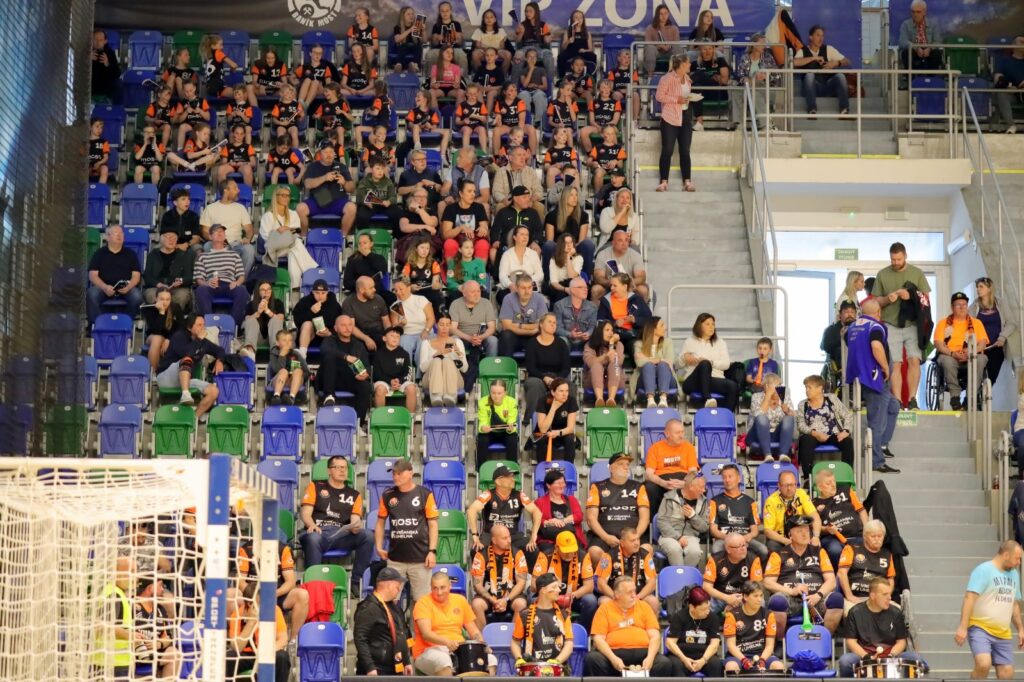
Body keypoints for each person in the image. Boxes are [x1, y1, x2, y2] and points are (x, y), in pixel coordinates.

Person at [845, 298, 902, 473]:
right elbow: (876, 346)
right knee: (877, 420)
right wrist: (885, 367)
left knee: (893, 406)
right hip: (875, 378)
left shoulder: (853, 327)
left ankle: (881, 445)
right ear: (878, 313)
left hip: (860, 376)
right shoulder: (875, 327)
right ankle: (876, 461)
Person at [299, 456, 373, 588]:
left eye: (345, 468)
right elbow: (305, 513)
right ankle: (313, 585)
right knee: (313, 538)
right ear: (329, 470)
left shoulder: (355, 495)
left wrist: (355, 527)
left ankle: (356, 582)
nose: (342, 470)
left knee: (368, 535)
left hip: (341, 535)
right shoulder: (315, 487)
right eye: (338, 467)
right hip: (319, 533)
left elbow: (355, 519)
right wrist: (312, 525)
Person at [873, 242, 931, 408]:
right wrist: (887, 299)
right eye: (893, 259)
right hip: (890, 324)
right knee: (895, 363)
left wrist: (911, 295)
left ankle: (912, 399)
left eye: (899, 259)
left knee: (914, 360)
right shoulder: (882, 274)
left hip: (913, 324)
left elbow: (926, 299)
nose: (896, 262)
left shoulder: (917, 273)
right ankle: (897, 400)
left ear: (905, 256)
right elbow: (876, 301)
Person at [954, 541, 1024, 679]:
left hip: (1003, 632)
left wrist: (1021, 629)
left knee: (1007, 672)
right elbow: (970, 598)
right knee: (983, 664)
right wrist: (963, 626)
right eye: (1017, 558)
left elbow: (1014, 604)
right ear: (1006, 555)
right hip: (981, 627)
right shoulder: (984, 570)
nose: (1019, 562)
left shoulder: (1014, 575)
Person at [764, 515, 844, 634]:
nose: (805, 534)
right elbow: (768, 583)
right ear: (790, 535)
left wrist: (818, 595)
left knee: (836, 599)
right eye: (799, 531)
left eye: (807, 530)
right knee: (777, 601)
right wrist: (791, 591)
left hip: (815, 599)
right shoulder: (778, 554)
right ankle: (780, 641)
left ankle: (825, 638)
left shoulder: (819, 552)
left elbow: (831, 581)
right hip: (790, 599)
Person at [376, 459, 440, 603]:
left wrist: (432, 551)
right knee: (390, 601)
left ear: (411, 473)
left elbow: (433, 525)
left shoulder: (425, 494)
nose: (395, 477)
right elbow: (380, 523)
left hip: (420, 559)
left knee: (422, 603)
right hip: (395, 559)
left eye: (399, 473)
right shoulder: (387, 495)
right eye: (394, 473)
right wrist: (379, 546)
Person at [584, 576, 675, 676]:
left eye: (634, 591)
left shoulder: (644, 607)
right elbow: (598, 640)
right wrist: (613, 659)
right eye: (629, 592)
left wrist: (650, 658)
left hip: (643, 653)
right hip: (613, 653)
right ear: (617, 594)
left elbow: (655, 636)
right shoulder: (604, 609)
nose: (634, 595)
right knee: (592, 659)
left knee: (664, 663)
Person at [412, 571, 495, 676]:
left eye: (442, 587)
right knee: (443, 660)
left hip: (458, 650)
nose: (439, 592)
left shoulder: (460, 600)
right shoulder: (423, 603)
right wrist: (447, 642)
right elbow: (426, 634)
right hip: (428, 650)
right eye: (435, 588)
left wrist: (482, 646)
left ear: (450, 586)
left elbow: (473, 630)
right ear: (430, 588)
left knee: (490, 659)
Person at [839, 578, 925, 677]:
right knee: (845, 661)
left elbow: (901, 641)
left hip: (891, 654)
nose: (889, 598)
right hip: (865, 655)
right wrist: (866, 657)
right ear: (872, 596)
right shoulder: (855, 612)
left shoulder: (896, 612)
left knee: (916, 658)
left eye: (890, 594)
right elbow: (851, 641)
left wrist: (891, 655)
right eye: (885, 594)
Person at [155, 314, 223, 418]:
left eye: (203, 325)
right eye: (199, 325)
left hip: (185, 380)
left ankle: (193, 419)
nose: (203, 328)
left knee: (214, 391)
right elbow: (186, 353)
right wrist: (198, 340)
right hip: (166, 377)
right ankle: (186, 394)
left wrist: (219, 360)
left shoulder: (203, 342)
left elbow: (219, 350)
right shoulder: (179, 336)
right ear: (189, 328)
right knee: (187, 359)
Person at [586, 452, 650, 560]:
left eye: (627, 464)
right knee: (595, 552)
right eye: (621, 464)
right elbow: (591, 519)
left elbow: (645, 518)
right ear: (611, 468)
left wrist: (633, 538)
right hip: (605, 535)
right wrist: (606, 538)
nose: (626, 467)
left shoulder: (639, 487)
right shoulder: (597, 487)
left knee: (647, 549)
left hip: (633, 535)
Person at [353, 566, 413, 675]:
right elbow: (360, 638)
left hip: (395, 668)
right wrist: (370, 667)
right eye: (398, 586)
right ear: (389, 585)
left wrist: (406, 661)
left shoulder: (394, 607)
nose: (399, 589)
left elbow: (401, 633)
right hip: (377, 669)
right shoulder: (369, 608)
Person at [936, 291, 990, 410]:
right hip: (950, 355)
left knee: (981, 359)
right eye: (958, 305)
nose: (962, 307)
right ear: (952, 307)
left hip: (970, 356)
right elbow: (939, 344)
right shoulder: (943, 323)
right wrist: (952, 354)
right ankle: (955, 397)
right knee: (946, 360)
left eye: (964, 304)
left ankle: (970, 397)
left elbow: (982, 343)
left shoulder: (976, 323)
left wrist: (971, 352)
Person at [533, 531, 598, 629]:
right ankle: (546, 629)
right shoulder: (545, 555)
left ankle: (579, 628)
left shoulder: (583, 556)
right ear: (556, 547)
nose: (570, 554)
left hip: (574, 597)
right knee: (532, 599)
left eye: (572, 550)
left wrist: (570, 597)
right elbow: (534, 584)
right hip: (550, 597)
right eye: (566, 551)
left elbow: (589, 586)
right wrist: (552, 595)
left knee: (590, 600)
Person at [470, 524, 530, 629]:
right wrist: (492, 600)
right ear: (494, 540)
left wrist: (506, 600)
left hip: (511, 595)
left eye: (509, 537)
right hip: (488, 596)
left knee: (521, 603)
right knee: (477, 604)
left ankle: (514, 637)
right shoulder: (481, 555)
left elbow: (521, 583)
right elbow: (477, 584)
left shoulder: (518, 553)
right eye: (504, 538)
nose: (509, 540)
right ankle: (482, 638)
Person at [796, 374, 855, 477]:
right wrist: (814, 433)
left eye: (809, 388)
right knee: (805, 440)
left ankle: (846, 474)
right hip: (813, 435)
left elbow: (847, 415)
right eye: (806, 388)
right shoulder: (802, 404)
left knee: (847, 441)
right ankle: (808, 477)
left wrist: (846, 431)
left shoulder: (831, 399)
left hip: (833, 435)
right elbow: (801, 424)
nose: (806, 390)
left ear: (820, 388)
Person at [316, 315, 373, 422]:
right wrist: (346, 357)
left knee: (366, 386)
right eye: (343, 325)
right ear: (336, 328)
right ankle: (329, 396)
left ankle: (358, 423)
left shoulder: (358, 345)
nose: (347, 328)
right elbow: (325, 351)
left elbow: (366, 366)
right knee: (329, 357)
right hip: (330, 380)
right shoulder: (329, 340)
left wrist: (365, 374)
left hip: (350, 379)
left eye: (350, 325)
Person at [260, 184, 317, 289]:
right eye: (283, 195)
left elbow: (297, 231)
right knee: (296, 243)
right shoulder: (268, 216)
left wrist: (286, 230)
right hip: (274, 249)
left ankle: (295, 285)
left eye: (288, 196)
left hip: (289, 245)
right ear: (276, 197)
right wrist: (279, 233)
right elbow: (266, 237)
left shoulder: (293, 214)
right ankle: (312, 272)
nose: (286, 198)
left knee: (293, 251)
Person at [511, 572, 573, 666]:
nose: (559, 590)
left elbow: (569, 644)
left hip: (557, 668)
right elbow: (515, 642)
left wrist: (557, 661)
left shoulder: (564, 615)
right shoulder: (524, 615)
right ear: (543, 590)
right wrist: (519, 659)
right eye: (554, 587)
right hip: (532, 668)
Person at [680, 312, 738, 410]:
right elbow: (677, 364)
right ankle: (708, 398)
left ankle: (726, 415)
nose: (711, 327)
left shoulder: (721, 343)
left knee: (733, 386)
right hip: (693, 381)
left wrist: (711, 363)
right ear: (699, 326)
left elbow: (726, 364)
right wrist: (684, 358)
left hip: (712, 379)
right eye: (707, 324)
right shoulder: (689, 341)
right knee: (704, 364)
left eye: (713, 324)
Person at [193, 224, 249, 325]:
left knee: (242, 290)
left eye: (222, 231)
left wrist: (237, 283)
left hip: (229, 285)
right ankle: (209, 325)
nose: (220, 233)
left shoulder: (234, 255)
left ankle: (233, 325)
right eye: (216, 231)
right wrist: (207, 283)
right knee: (201, 290)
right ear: (210, 237)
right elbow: (199, 279)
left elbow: (241, 276)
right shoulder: (203, 257)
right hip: (211, 286)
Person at [708, 463, 768, 559]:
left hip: (745, 538)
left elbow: (755, 530)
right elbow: (713, 530)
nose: (727, 480)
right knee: (716, 549)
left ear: (739, 478)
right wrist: (729, 538)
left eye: (730, 476)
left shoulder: (750, 502)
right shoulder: (715, 501)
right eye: (724, 477)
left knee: (763, 550)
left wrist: (746, 537)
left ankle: (756, 569)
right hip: (724, 538)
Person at [722, 581, 784, 673]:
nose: (760, 599)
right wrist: (744, 660)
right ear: (745, 597)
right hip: (738, 656)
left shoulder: (768, 615)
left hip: (762, 654)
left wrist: (762, 660)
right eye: (755, 596)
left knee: (779, 666)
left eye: (761, 595)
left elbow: (770, 645)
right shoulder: (732, 615)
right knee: (731, 666)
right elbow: (731, 645)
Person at [87, 225, 143, 324]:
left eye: (121, 233)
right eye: (116, 233)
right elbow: (92, 275)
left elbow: (136, 275)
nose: (119, 235)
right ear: (108, 237)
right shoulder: (99, 253)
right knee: (92, 294)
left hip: (126, 288)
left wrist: (128, 287)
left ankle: (125, 322)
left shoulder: (131, 254)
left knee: (137, 296)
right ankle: (97, 324)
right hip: (104, 287)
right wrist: (104, 287)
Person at [655, 54, 695, 192]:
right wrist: (676, 100)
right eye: (688, 63)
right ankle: (663, 181)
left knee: (685, 150)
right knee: (667, 150)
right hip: (670, 117)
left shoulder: (687, 79)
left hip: (685, 116)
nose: (690, 65)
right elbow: (659, 96)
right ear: (682, 64)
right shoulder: (667, 78)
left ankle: (687, 181)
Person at [815, 467, 870, 567]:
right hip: (833, 538)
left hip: (856, 535)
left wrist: (867, 530)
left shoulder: (846, 490)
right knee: (835, 550)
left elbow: (861, 510)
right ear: (819, 487)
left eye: (834, 481)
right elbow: (815, 526)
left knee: (869, 544)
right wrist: (826, 529)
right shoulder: (814, 503)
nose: (833, 485)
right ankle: (839, 574)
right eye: (828, 483)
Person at [596, 527, 659, 613]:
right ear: (622, 543)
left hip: (638, 596)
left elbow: (652, 582)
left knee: (653, 601)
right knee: (604, 602)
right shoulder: (608, 556)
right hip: (615, 597)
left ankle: (652, 623)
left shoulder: (646, 555)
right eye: (633, 540)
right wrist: (615, 597)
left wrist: (638, 597)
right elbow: (601, 584)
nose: (637, 543)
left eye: (638, 539)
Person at [296, 145, 357, 234]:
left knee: (352, 208)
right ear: (320, 154)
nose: (329, 155)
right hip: (317, 202)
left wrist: (344, 183)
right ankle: (303, 236)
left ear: (334, 154)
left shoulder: (341, 166)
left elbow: (351, 188)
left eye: (331, 152)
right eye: (326, 152)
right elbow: (307, 184)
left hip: (338, 201)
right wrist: (324, 178)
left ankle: (343, 237)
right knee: (300, 208)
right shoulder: (313, 166)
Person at [666, 586, 725, 677]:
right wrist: (684, 659)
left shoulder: (713, 618)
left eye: (708, 608)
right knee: (674, 665)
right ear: (692, 607)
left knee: (716, 664)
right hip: (682, 656)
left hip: (705, 656)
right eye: (703, 609)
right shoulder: (679, 616)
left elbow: (715, 644)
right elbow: (670, 642)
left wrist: (703, 660)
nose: (707, 612)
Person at [199, 180, 255, 275]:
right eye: (235, 188)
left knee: (249, 249)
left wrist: (247, 238)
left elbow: (249, 229)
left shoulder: (240, 208)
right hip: (217, 244)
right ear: (226, 190)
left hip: (237, 245)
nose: (238, 190)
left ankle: (241, 279)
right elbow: (205, 231)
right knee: (207, 245)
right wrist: (214, 239)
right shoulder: (210, 208)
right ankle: (216, 277)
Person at [793, 25, 851, 117]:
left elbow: (847, 61)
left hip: (827, 87)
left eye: (822, 36)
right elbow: (794, 62)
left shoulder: (828, 49)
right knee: (809, 75)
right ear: (810, 37)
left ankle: (844, 110)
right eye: (818, 35)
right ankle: (812, 109)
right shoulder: (803, 51)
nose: (821, 39)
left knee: (840, 76)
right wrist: (814, 58)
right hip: (810, 89)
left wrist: (836, 63)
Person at [643, 418, 697, 515]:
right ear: (667, 434)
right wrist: (663, 483)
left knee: (698, 486)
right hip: (661, 481)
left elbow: (693, 472)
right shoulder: (655, 448)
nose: (681, 436)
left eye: (682, 432)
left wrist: (685, 483)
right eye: (677, 433)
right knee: (650, 488)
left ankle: (692, 520)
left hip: (683, 479)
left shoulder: (689, 447)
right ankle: (653, 521)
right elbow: (648, 474)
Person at [449, 280, 497, 388]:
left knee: (493, 341)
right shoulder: (456, 304)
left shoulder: (486, 303)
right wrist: (469, 337)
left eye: (478, 291)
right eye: (472, 292)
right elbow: (452, 328)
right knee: (453, 340)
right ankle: (456, 374)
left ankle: (490, 374)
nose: (476, 294)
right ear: (464, 293)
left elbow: (492, 328)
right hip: (463, 336)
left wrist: (481, 337)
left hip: (481, 336)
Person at [523, 314, 571, 421]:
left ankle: (564, 420)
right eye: (550, 322)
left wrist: (557, 380)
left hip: (557, 377)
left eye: (554, 323)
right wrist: (544, 377)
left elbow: (566, 368)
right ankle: (532, 421)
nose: (553, 325)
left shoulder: (561, 343)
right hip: (537, 377)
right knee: (535, 385)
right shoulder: (532, 343)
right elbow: (531, 367)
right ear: (541, 324)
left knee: (568, 385)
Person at [837, 520, 896, 608]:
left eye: (880, 536)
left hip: (878, 599)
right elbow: (841, 573)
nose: (877, 539)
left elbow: (890, 579)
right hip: (855, 598)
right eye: (873, 536)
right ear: (865, 537)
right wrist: (849, 596)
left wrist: (886, 596)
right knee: (855, 612)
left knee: (897, 611)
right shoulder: (851, 549)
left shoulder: (887, 554)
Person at [657, 473, 710, 567]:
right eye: (701, 487)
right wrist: (678, 537)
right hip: (669, 536)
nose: (704, 490)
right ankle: (680, 576)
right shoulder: (670, 498)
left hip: (691, 537)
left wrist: (693, 516)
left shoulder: (704, 502)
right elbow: (662, 522)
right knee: (675, 549)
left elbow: (704, 527)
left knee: (695, 552)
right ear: (691, 487)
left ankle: (684, 575)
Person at [972, 277, 1016, 388]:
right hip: (979, 348)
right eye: (977, 287)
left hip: (996, 347)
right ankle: (973, 395)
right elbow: (968, 325)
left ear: (989, 288)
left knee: (991, 378)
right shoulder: (974, 306)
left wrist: (1002, 337)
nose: (978, 289)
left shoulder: (1000, 304)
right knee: (976, 377)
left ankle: (984, 396)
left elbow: (1011, 323)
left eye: (981, 287)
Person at [762, 470, 822, 552]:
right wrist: (787, 541)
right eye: (786, 485)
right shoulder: (771, 501)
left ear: (796, 484)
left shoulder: (801, 494)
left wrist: (816, 537)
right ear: (779, 485)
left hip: (801, 535)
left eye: (792, 485)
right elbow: (768, 531)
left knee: (815, 545)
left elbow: (815, 516)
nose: (789, 488)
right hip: (781, 538)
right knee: (772, 546)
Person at [704, 533, 765, 614]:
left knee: (760, 602)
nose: (743, 549)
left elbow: (757, 586)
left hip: (744, 596)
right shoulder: (715, 559)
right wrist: (727, 598)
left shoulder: (753, 559)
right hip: (720, 596)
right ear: (728, 549)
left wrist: (740, 600)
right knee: (703, 607)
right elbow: (706, 586)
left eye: (744, 545)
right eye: (739, 546)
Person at [597, 272, 652, 359]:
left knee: (635, 347)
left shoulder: (637, 299)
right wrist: (614, 323)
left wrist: (635, 320)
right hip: (613, 335)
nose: (611, 288)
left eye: (615, 286)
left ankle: (641, 366)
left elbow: (650, 321)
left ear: (625, 286)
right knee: (612, 348)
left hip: (633, 335)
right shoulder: (605, 300)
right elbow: (600, 322)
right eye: (611, 285)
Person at [418, 314, 467, 406]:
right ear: (436, 325)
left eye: (447, 325)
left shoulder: (458, 342)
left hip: (454, 381)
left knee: (447, 361)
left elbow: (464, 369)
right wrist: (436, 354)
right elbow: (423, 368)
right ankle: (436, 396)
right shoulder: (426, 343)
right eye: (441, 324)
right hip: (430, 380)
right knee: (437, 360)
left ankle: (451, 395)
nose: (444, 328)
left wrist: (459, 355)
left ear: (450, 326)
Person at [691, 42, 739, 131]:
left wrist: (713, 78)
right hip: (701, 94)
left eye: (710, 49)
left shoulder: (720, 61)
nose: (708, 51)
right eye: (705, 49)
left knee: (698, 74)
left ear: (714, 50)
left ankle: (699, 123)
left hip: (717, 92)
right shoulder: (695, 63)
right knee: (696, 87)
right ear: (700, 50)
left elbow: (724, 81)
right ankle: (699, 123)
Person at [534, 472, 586, 555]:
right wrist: (550, 522)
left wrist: (563, 521)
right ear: (548, 485)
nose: (562, 485)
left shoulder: (572, 499)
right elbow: (537, 520)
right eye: (558, 483)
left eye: (563, 483)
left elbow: (579, 516)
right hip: (550, 539)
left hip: (570, 537)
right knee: (548, 553)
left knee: (579, 553)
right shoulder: (540, 502)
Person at [747, 373, 795, 462]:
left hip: (776, 434)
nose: (780, 388)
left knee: (789, 418)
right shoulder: (756, 397)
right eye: (777, 385)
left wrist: (787, 411)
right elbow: (758, 415)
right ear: (767, 386)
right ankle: (767, 455)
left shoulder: (784, 397)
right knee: (761, 418)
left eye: (780, 385)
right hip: (757, 434)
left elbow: (792, 417)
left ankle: (783, 455)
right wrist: (768, 395)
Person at [143, 227, 194, 310]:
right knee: (151, 295)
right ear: (161, 239)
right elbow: (147, 276)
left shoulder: (184, 255)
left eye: (174, 238)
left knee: (182, 295)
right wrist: (158, 284)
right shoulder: (153, 255)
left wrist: (180, 281)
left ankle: (174, 316)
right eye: (168, 237)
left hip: (177, 288)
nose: (172, 240)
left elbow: (189, 276)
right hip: (156, 287)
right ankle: (159, 316)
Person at [441, 179, 490, 263]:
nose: (473, 194)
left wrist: (484, 228)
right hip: (457, 240)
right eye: (469, 191)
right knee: (449, 244)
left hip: (474, 239)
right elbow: (446, 235)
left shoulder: (479, 207)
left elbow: (484, 226)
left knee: (483, 244)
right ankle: (453, 270)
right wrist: (460, 228)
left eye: (474, 191)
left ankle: (479, 270)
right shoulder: (450, 209)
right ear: (461, 193)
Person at [498, 273, 548, 356]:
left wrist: (519, 325)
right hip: (515, 336)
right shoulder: (508, 298)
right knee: (506, 335)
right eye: (523, 288)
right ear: (517, 288)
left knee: (545, 333)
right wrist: (529, 331)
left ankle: (541, 364)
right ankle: (506, 363)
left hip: (533, 336)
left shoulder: (539, 298)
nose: (527, 291)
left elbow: (542, 324)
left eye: (529, 287)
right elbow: (506, 326)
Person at [592, 228, 647, 302]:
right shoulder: (603, 254)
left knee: (642, 290)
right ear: (613, 242)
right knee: (596, 289)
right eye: (620, 240)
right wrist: (612, 283)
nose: (624, 244)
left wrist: (629, 283)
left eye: (626, 240)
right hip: (609, 286)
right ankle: (598, 310)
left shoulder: (635, 255)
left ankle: (639, 310)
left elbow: (641, 277)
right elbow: (598, 277)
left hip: (629, 286)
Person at [532, 378, 579, 463]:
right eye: (561, 391)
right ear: (553, 392)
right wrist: (553, 408)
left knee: (570, 438)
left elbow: (570, 428)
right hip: (545, 433)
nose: (565, 394)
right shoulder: (543, 400)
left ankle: (569, 466)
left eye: (567, 391)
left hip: (562, 433)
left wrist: (557, 433)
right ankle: (542, 466)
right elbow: (543, 429)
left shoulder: (571, 400)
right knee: (541, 439)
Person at [372, 326, 417, 412]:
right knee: (380, 390)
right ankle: (380, 416)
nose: (395, 338)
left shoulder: (404, 354)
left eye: (398, 336)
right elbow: (376, 374)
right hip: (384, 381)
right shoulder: (378, 354)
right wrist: (390, 381)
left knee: (411, 388)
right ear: (384, 338)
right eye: (392, 336)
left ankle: (411, 417)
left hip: (400, 381)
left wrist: (398, 381)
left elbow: (408, 373)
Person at [492, 185, 544, 261]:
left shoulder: (533, 213)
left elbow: (539, 231)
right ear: (515, 199)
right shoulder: (503, 212)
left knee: (536, 249)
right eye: (524, 197)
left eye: (528, 197)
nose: (528, 200)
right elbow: (495, 230)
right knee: (493, 252)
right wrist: (496, 240)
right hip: (507, 246)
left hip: (527, 246)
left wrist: (536, 241)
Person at [390, 276, 435, 362]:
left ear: (409, 287)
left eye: (401, 289)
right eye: (395, 290)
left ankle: (420, 370)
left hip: (424, 330)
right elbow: (395, 328)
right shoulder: (395, 306)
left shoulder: (421, 300)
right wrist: (401, 324)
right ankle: (407, 369)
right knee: (404, 344)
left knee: (423, 345)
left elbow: (431, 319)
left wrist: (426, 331)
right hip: (407, 334)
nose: (398, 292)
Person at [341, 275, 391, 352]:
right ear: (361, 290)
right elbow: (351, 326)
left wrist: (389, 335)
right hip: (360, 335)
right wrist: (366, 339)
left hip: (379, 333)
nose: (374, 290)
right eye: (371, 288)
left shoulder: (378, 299)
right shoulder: (349, 302)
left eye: (374, 287)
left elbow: (386, 321)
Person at [294, 279, 342, 358]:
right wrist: (311, 312)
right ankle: (302, 353)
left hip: (328, 336)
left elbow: (339, 322)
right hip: (310, 335)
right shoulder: (305, 301)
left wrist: (330, 333)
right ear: (313, 292)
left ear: (327, 292)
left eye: (323, 293)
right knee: (307, 324)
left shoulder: (334, 305)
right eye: (317, 293)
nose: (320, 296)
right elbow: (298, 321)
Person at [635, 317, 676, 408]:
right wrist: (659, 359)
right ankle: (650, 400)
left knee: (663, 365)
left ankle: (663, 399)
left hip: (667, 379)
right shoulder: (639, 344)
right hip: (644, 379)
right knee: (648, 366)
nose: (665, 328)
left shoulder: (668, 343)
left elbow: (669, 361)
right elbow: (639, 362)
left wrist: (646, 358)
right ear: (653, 329)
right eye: (662, 325)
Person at [497, 224, 545, 303]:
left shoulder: (533, 254)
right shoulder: (507, 254)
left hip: (529, 287)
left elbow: (540, 274)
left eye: (527, 235)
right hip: (512, 286)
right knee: (503, 296)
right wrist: (510, 285)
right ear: (514, 237)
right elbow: (502, 275)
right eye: (522, 234)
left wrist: (526, 282)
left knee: (538, 300)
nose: (525, 237)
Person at [474, 381, 520, 462]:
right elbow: (483, 421)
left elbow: (511, 420)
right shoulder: (483, 402)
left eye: (499, 393)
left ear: (505, 393)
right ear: (490, 392)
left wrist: (510, 428)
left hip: (505, 432)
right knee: (482, 439)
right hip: (490, 432)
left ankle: (512, 467)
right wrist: (483, 428)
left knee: (512, 438)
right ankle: (481, 467)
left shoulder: (512, 402)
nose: (496, 396)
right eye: (493, 393)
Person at [584, 320, 625, 408]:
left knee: (614, 364)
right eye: (607, 330)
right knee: (596, 366)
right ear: (599, 332)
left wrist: (611, 344)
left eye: (612, 330)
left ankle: (611, 399)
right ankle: (599, 399)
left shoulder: (619, 345)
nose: (610, 333)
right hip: (593, 381)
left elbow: (618, 361)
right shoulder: (590, 345)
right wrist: (605, 356)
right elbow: (590, 362)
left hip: (615, 380)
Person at [491, 146, 545, 214]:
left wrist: (532, 200)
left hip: (528, 200)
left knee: (539, 207)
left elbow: (538, 189)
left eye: (524, 155)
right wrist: (505, 201)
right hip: (509, 201)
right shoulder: (501, 172)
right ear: (510, 158)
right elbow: (496, 192)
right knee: (500, 207)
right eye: (519, 155)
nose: (522, 158)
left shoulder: (530, 171)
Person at [510, 2, 554, 81]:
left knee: (548, 55)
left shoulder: (543, 25)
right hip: (525, 48)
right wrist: (521, 32)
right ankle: (514, 83)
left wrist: (548, 37)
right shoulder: (522, 24)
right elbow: (517, 41)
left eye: (530, 11)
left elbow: (546, 41)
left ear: (536, 12)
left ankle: (550, 82)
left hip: (539, 48)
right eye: (526, 11)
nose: (528, 13)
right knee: (518, 54)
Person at [143, 289, 185, 371]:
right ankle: (153, 373)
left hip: (171, 337)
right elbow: (156, 331)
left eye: (167, 299)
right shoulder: (149, 309)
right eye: (162, 299)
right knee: (157, 339)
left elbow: (181, 327)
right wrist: (161, 313)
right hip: (153, 336)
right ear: (156, 299)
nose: (165, 302)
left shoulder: (176, 307)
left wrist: (169, 339)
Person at [898, 0, 943, 74]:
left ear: (924, 12)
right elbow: (902, 41)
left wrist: (930, 48)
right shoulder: (905, 24)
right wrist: (916, 48)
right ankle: (912, 79)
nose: (915, 14)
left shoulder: (933, 25)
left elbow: (938, 41)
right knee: (906, 53)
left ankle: (930, 78)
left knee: (937, 54)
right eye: (913, 12)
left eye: (918, 12)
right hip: (913, 49)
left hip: (929, 49)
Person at [554, 277, 598, 351]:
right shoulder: (559, 305)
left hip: (585, 340)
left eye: (586, 287)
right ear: (572, 290)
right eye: (581, 287)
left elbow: (593, 326)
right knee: (562, 340)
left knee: (594, 340)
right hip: (567, 339)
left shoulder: (592, 307)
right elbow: (557, 328)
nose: (585, 290)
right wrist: (570, 334)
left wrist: (588, 333)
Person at [267, 329, 308, 406]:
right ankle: (276, 397)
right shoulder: (274, 354)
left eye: (290, 340)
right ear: (277, 343)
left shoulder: (296, 354)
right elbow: (276, 370)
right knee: (284, 371)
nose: (287, 343)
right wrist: (282, 356)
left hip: (294, 381)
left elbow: (307, 371)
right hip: (278, 380)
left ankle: (291, 398)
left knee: (298, 371)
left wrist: (298, 376)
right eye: (284, 340)